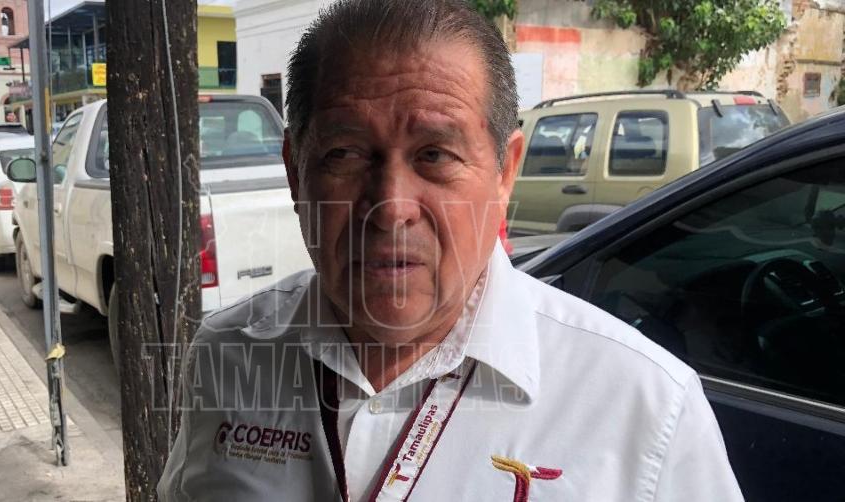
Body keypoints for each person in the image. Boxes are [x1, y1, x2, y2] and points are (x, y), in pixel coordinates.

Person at [158, 1, 744, 501]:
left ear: (505, 173)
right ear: (295, 171)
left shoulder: (648, 410)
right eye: (346, 154)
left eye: (435, 154)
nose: (390, 207)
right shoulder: (227, 355)